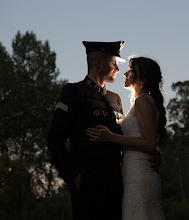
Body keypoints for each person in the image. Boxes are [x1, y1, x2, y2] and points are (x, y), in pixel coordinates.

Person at [47, 42, 160, 220]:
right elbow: (54, 140)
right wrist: (74, 177)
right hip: (89, 188)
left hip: (118, 187)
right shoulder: (74, 92)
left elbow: (130, 137)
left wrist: (152, 154)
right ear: (98, 62)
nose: (117, 68)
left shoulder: (115, 99)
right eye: (114, 62)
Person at [87, 57, 167, 220]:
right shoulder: (141, 102)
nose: (125, 72)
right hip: (134, 173)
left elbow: (149, 142)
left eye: (130, 70)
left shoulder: (143, 101)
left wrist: (111, 137)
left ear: (142, 77)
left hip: (140, 176)